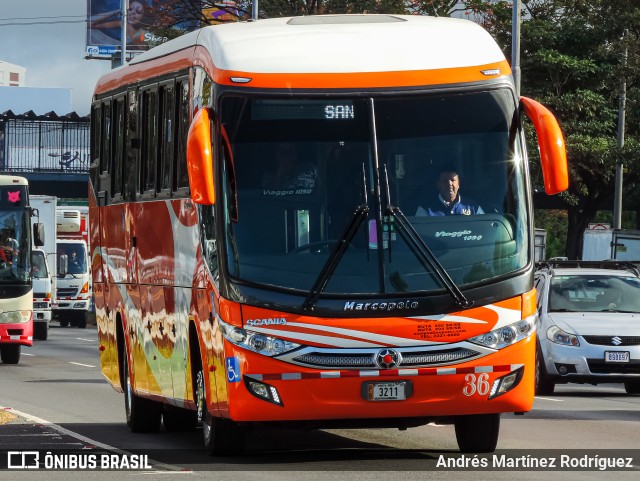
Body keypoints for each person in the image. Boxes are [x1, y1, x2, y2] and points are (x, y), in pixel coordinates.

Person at [416, 168, 484, 216]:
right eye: (445, 181)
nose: (449, 184)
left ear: (459, 184)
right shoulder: (425, 209)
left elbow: (484, 229)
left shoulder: (473, 207)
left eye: (453, 180)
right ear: (438, 184)